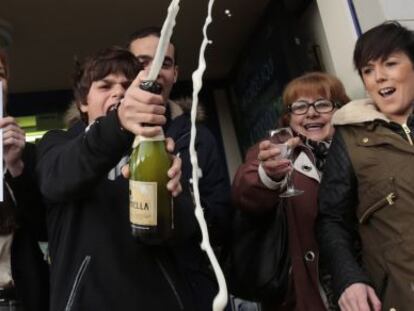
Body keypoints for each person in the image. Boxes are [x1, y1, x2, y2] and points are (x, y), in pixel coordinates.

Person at [35, 46, 192, 310]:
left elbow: (187, 231)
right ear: (83, 102)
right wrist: (117, 124)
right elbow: (56, 179)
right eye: (105, 86)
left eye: (127, 85)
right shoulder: (58, 143)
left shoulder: (155, 145)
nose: (119, 92)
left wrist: (173, 198)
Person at [127, 27, 232, 310]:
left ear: (175, 74)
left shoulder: (201, 139)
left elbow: (222, 221)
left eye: (165, 63)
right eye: (142, 62)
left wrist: (185, 206)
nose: (155, 70)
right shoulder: (106, 140)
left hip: (189, 293)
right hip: (124, 291)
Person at [232, 72, 350, 311]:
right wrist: (269, 176)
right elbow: (244, 191)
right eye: (300, 107)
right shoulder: (274, 150)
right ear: (288, 117)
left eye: (323, 104)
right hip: (307, 291)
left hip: (366, 276)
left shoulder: (357, 147)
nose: (311, 112)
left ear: (340, 109)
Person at [317, 21, 414, 311]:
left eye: (390, 64)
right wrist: (349, 278)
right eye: (368, 70)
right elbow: (331, 220)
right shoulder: (349, 139)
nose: (379, 78)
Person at [0, 50, 49, 310]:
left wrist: (16, 166)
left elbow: (45, 227)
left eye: (0, 74)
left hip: (20, 298)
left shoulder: (29, 154)